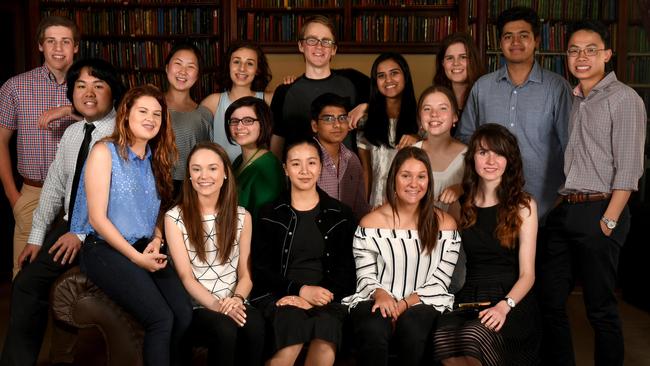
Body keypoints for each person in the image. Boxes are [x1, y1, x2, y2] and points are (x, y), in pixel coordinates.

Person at [0, 58, 123, 366]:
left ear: (114, 92)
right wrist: (37, 237)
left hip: (104, 230)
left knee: (38, 284)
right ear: (72, 95)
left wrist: (79, 234)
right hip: (70, 222)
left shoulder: (122, 134)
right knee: (26, 282)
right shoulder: (73, 134)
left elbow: (121, 198)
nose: (89, 93)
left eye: (99, 85)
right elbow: (54, 187)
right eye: (81, 86)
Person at [538, 20, 646, 366]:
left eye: (590, 50)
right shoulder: (574, 99)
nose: (581, 57)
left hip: (601, 210)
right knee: (550, 300)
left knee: (599, 307)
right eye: (574, 50)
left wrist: (609, 221)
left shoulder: (624, 98)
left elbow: (629, 169)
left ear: (607, 55)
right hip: (567, 209)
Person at [70, 85, 191, 366]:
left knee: (183, 313)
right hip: (104, 248)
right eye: (143, 111)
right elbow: (97, 218)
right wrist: (137, 258)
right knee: (161, 318)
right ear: (126, 115)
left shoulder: (157, 159)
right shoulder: (104, 151)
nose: (151, 118)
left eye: (157, 114)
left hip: (143, 246)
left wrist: (157, 239)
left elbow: (159, 211)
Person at [433, 123, 539, 366]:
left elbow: (528, 274)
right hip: (466, 293)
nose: (491, 160)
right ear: (473, 159)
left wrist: (504, 306)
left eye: (499, 153)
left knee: (474, 336)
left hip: (509, 297)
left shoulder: (524, 206)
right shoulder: (460, 204)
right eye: (483, 152)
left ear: (509, 160)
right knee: (443, 339)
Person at [343, 146, 460, 366]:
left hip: (425, 301)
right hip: (377, 298)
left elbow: (441, 281)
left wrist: (405, 303)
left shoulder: (444, 224)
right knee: (373, 327)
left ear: (429, 181)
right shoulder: (370, 223)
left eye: (421, 176)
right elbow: (365, 275)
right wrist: (380, 294)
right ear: (393, 178)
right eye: (406, 176)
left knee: (413, 327)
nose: (414, 184)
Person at [455, 6, 572, 221]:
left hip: (546, 207)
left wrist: (562, 196)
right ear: (500, 42)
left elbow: (572, 146)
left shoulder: (557, 88)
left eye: (523, 36)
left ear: (536, 40)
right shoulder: (483, 87)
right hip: (490, 206)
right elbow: (465, 138)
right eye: (508, 36)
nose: (515, 42)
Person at [250, 139, 357, 366]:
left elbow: (346, 272)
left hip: (327, 297)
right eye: (296, 164)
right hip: (279, 295)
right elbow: (262, 270)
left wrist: (316, 298)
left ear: (320, 167)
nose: (305, 171)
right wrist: (300, 291)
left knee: (326, 328)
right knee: (292, 321)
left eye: (311, 163)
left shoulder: (341, 214)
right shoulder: (270, 213)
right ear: (285, 169)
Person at [165, 142, 264, 366]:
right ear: (189, 175)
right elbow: (186, 277)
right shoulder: (174, 218)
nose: (203, 176)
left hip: (235, 301)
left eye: (212, 168)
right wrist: (219, 307)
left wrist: (236, 301)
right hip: (198, 307)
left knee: (255, 323)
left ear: (225, 173)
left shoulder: (242, 217)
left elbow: (246, 276)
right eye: (196, 169)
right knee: (225, 328)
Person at [0, 15, 79, 278]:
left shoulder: (89, 88)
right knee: (24, 277)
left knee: (71, 282)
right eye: (51, 41)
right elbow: (1, 142)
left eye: (65, 41)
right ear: (40, 46)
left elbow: (110, 122)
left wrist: (67, 109)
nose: (58, 48)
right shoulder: (15, 87)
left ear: (75, 47)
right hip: (32, 193)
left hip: (78, 197)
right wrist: (14, 198)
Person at [270, 15, 367, 158]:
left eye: (326, 41)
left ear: (334, 49)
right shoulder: (284, 91)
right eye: (312, 40)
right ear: (301, 46)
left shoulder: (353, 80)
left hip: (345, 175)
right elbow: (277, 142)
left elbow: (390, 99)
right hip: (300, 177)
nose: (319, 46)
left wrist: (366, 106)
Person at [357, 52, 420, 208]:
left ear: (405, 75)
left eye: (394, 73)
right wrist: (363, 208)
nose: (388, 80)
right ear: (375, 82)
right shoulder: (366, 120)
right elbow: (367, 172)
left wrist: (419, 141)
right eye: (381, 76)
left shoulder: (420, 119)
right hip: (376, 203)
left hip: (409, 204)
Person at [201, 41, 272, 162]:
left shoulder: (269, 100)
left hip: (256, 173)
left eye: (249, 63)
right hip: (221, 174)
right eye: (236, 61)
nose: (242, 68)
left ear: (258, 69)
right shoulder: (213, 102)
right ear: (228, 65)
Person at [310, 92, 370, 219]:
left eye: (342, 118)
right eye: (328, 119)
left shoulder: (352, 159)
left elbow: (360, 208)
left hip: (348, 234)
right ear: (315, 126)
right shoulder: (307, 159)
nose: (337, 125)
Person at [164, 42, 213, 195]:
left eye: (191, 66)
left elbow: (207, 157)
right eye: (178, 63)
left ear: (198, 75)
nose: (183, 71)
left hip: (190, 188)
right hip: (153, 184)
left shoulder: (204, 114)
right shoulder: (150, 107)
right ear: (167, 68)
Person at [224, 96, 284, 221]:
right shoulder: (239, 160)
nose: (239, 127)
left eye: (248, 120)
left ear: (262, 124)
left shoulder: (268, 166)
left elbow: (265, 220)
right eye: (234, 121)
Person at [413, 85, 466, 216]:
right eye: (427, 109)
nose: (434, 114)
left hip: (455, 232)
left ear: (455, 116)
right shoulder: (409, 154)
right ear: (420, 118)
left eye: (443, 108)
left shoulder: (469, 157)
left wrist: (463, 188)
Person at [432, 32, 485, 114]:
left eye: (463, 57)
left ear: (473, 60)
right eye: (450, 58)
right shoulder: (434, 97)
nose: (456, 63)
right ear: (442, 63)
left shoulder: (485, 96)